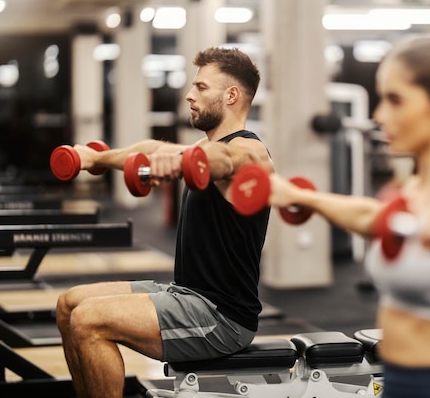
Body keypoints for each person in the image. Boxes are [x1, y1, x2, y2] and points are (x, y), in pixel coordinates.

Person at [267, 36, 430, 398]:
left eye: (394, 99)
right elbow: (369, 215)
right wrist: (299, 196)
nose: (379, 115)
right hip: (396, 385)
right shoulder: (412, 196)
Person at [55, 47, 273, 398]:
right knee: (69, 304)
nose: (189, 94)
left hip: (222, 318)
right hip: (186, 294)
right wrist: (94, 158)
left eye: (201, 87)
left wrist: (187, 160)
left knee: (88, 321)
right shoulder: (205, 145)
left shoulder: (249, 153)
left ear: (231, 95)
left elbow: (223, 160)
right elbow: (152, 149)